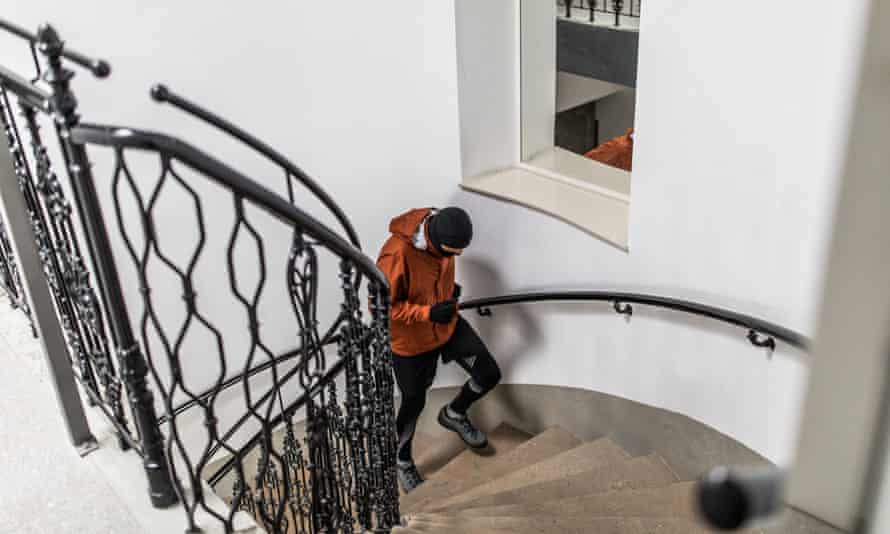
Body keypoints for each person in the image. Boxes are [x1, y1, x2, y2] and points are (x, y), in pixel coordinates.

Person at [376, 207, 502, 493]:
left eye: (458, 253)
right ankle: (402, 460)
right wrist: (426, 313)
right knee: (413, 403)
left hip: (446, 325)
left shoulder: (446, 240)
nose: (454, 258)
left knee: (489, 372)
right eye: (449, 252)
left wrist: (447, 294)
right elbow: (381, 306)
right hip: (411, 342)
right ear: (432, 240)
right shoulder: (396, 254)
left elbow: (435, 275)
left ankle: (454, 413)